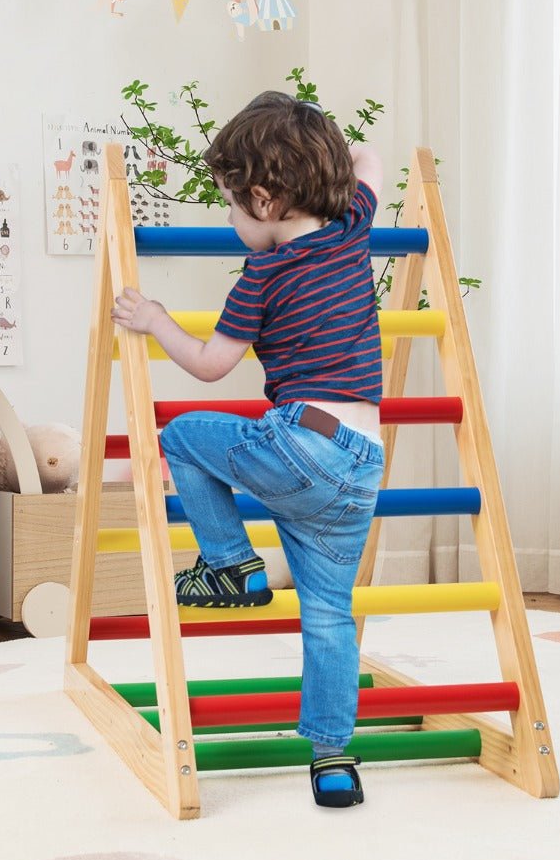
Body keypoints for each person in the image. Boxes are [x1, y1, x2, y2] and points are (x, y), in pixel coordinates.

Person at [110, 92, 385, 808]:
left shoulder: (262, 276)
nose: (233, 222)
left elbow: (208, 365)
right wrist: (326, 160)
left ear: (265, 200)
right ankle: (333, 761)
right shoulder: (353, 225)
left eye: (233, 205)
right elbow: (368, 159)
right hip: (362, 462)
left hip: (303, 442)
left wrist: (154, 319)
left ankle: (231, 565)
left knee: (181, 435)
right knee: (328, 614)